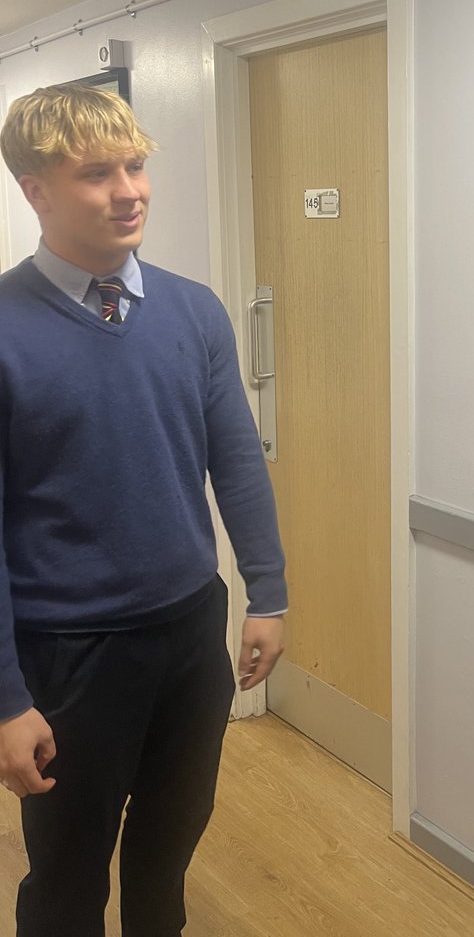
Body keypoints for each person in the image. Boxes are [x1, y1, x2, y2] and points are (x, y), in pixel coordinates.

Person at [0, 84, 288, 936]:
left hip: (190, 635)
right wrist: (6, 697)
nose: (130, 190)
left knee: (167, 853)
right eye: (97, 173)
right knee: (68, 874)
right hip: (69, 655)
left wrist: (266, 593)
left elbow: (235, 460)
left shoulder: (193, 309)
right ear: (35, 191)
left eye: (135, 165)